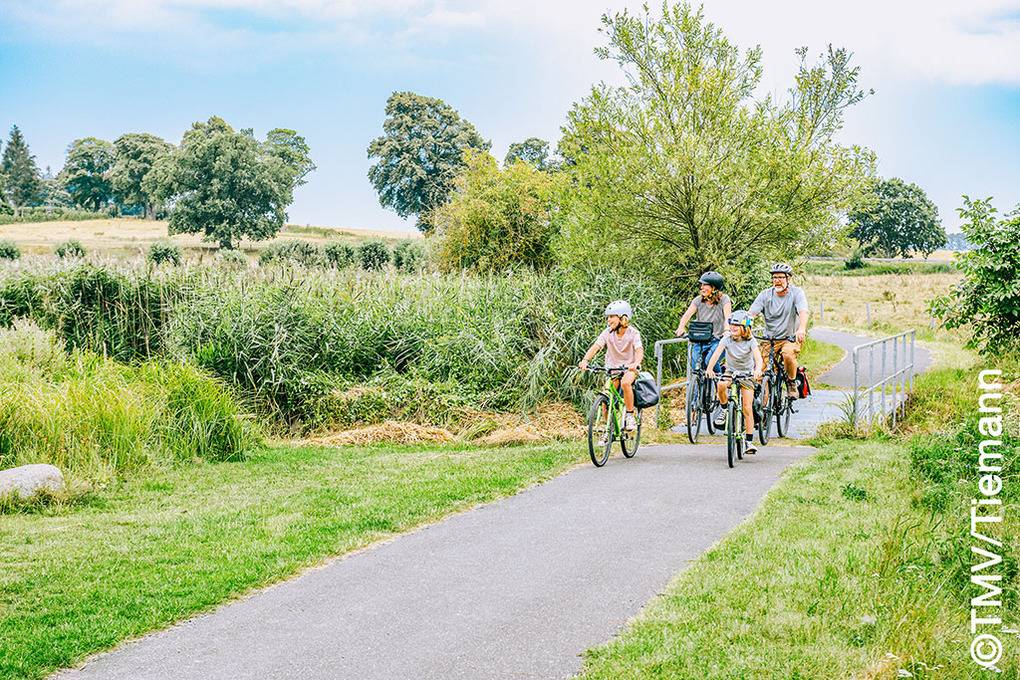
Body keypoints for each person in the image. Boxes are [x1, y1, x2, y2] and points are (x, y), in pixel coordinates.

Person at [578, 300, 644, 432]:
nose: (608, 320)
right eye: (608, 317)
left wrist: (636, 363)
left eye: (612, 317)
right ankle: (608, 428)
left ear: (622, 317)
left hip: (629, 368)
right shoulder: (607, 333)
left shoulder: (633, 333)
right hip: (613, 369)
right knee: (606, 395)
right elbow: (596, 347)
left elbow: (639, 350)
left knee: (625, 383)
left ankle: (630, 415)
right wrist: (585, 360)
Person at [706, 310, 763, 454]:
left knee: (747, 407)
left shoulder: (751, 341)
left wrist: (757, 370)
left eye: (736, 326)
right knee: (720, 385)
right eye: (731, 325)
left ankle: (749, 442)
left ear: (745, 328)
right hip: (730, 372)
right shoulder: (727, 339)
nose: (733, 328)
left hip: (747, 374)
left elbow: (758, 358)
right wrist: (709, 368)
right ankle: (725, 409)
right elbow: (716, 354)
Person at [749, 262, 808, 400]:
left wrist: (801, 328)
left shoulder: (796, 293)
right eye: (775, 277)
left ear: (788, 279)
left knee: (788, 354)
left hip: (790, 338)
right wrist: (745, 326)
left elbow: (803, 311)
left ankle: (791, 382)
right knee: (760, 371)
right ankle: (763, 405)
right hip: (769, 339)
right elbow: (751, 314)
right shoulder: (765, 295)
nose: (777, 280)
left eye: (781, 277)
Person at [675, 271, 732, 376]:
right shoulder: (698, 300)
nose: (702, 288)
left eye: (705, 285)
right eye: (701, 285)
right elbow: (687, 315)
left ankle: (719, 381)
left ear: (714, 287)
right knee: (695, 367)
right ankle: (699, 387)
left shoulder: (724, 299)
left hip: (718, 340)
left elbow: (728, 317)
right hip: (700, 339)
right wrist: (681, 327)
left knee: (709, 361)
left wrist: (727, 330)